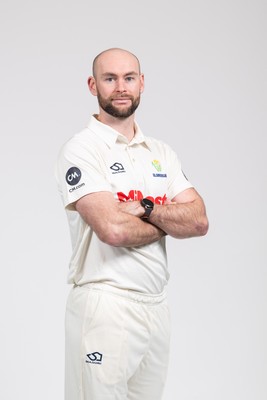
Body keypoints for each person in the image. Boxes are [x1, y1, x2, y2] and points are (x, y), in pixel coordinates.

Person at [55, 47, 209, 400]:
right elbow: (113, 230)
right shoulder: (82, 149)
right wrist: (170, 219)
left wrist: (145, 207)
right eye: (110, 79)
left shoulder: (160, 152)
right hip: (105, 304)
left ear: (142, 83)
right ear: (93, 85)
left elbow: (199, 221)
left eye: (129, 78)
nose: (120, 87)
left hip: (156, 306)